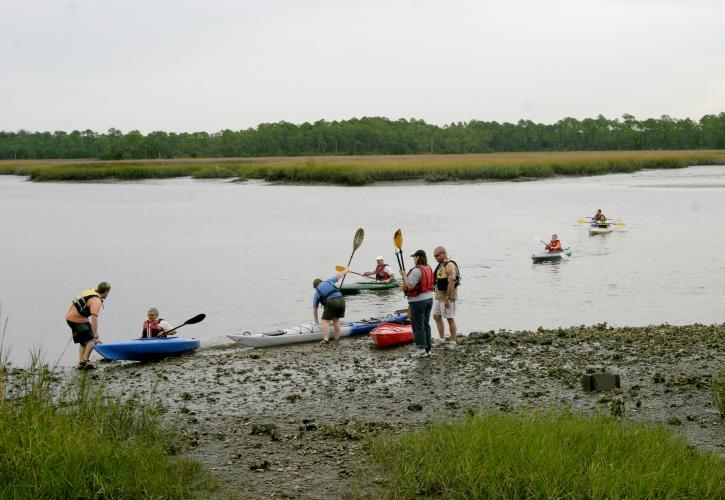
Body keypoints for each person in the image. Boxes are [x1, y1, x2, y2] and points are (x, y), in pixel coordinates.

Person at [65, 281, 111, 370]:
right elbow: (94, 319)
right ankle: (85, 360)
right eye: (108, 292)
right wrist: (95, 335)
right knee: (92, 340)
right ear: (105, 291)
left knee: (83, 341)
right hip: (77, 319)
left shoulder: (92, 291)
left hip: (70, 318)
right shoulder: (96, 301)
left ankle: (81, 362)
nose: (108, 294)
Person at [400, 250, 434, 358]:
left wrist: (404, 275)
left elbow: (409, 285)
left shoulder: (416, 270)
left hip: (418, 301)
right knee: (425, 324)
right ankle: (428, 349)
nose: (413, 259)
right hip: (429, 299)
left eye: (414, 257)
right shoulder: (428, 268)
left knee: (418, 325)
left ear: (418, 257)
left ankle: (421, 350)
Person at [432, 246, 459, 350]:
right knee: (436, 316)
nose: (435, 258)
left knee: (450, 318)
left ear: (443, 253)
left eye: (437, 255)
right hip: (439, 296)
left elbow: (451, 282)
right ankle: (441, 339)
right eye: (434, 256)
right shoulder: (440, 265)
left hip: (448, 297)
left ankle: (453, 341)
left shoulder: (450, 265)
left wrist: (447, 298)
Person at [313, 269, 347, 344]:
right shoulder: (328, 281)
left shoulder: (317, 292)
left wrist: (316, 321)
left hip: (332, 301)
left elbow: (315, 308)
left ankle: (325, 340)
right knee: (336, 320)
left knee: (324, 320)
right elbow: (339, 275)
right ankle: (337, 338)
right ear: (321, 282)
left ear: (315, 287)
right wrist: (346, 270)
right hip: (342, 300)